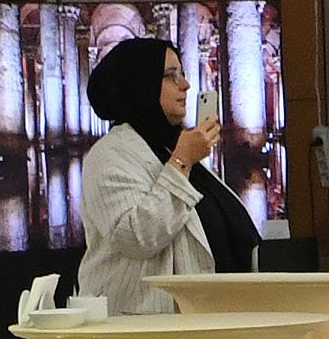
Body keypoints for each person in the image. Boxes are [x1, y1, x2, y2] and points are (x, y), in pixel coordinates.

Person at [70, 35, 222, 311]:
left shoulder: (170, 146)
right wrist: (183, 160)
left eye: (183, 74)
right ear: (140, 84)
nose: (185, 85)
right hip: (140, 326)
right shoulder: (109, 154)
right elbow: (136, 237)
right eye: (170, 75)